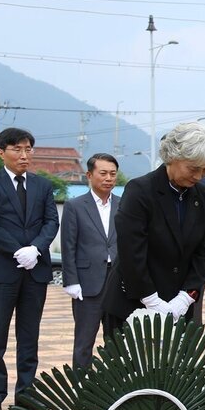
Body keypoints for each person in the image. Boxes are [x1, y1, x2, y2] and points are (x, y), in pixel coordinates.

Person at [102, 123, 205, 335]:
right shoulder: (140, 190)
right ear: (172, 157)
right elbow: (132, 250)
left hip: (180, 305)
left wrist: (185, 297)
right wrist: (151, 299)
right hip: (134, 303)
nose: (199, 176)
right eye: (193, 168)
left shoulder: (202, 194)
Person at [0, 128, 59, 410]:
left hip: (35, 271)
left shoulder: (42, 186)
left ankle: (27, 394)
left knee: (29, 336)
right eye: (18, 149)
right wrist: (18, 250)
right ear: (1, 152)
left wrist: (36, 249)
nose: (24, 154)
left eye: (28, 148)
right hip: (1, 270)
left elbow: (51, 223)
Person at [61, 152, 120, 370]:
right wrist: (71, 281)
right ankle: (81, 392)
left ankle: (116, 391)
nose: (109, 178)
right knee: (84, 342)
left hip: (118, 282)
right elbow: (68, 246)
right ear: (89, 174)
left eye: (113, 174)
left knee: (118, 342)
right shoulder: (75, 206)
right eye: (103, 173)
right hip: (87, 284)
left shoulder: (123, 205)